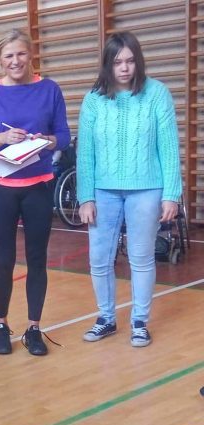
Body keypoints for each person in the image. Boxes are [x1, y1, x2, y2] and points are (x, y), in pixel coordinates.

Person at [0, 29, 70, 356]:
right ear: (0, 60)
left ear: (31, 54)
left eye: (21, 54)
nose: (16, 61)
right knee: (4, 261)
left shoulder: (49, 89)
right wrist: (2, 139)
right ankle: (1, 324)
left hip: (38, 187)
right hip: (1, 189)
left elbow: (64, 135)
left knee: (37, 260)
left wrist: (48, 141)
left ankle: (34, 328)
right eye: (9, 56)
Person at [77, 32, 181, 347]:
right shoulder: (93, 99)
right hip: (103, 191)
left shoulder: (157, 94)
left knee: (141, 257)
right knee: (99, 258)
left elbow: (169, 148)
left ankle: (139, 322)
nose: (124, 68)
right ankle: (106, 318)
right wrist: (85, 197)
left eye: (130, 61)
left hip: (147, 188)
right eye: (117, 62)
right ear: (107, 64)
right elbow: (85, 153)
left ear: (138, 62)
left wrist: (171, 194)